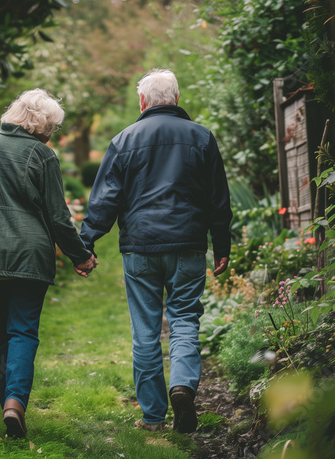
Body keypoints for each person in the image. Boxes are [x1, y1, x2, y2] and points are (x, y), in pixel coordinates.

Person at [79, 69, 232, 433]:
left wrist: (84, 244)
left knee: (145, 330)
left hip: (140, 248)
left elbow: (104, 201)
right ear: (176, 99)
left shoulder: (123, 140)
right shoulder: (202, 138)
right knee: (183, 320)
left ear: (143, 102)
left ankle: (152, 416)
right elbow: (217, 199)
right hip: (189, 246)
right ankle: (182, 385)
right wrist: (222, 244)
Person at [0, 89, 97, 439]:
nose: (53, 133)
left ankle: (8, 404)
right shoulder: (41, 154)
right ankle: (15, 404)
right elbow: (58, 217)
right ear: (41, 124)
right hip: (28, 256)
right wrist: (80, 255)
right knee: (22, 330)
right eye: (53, 126)